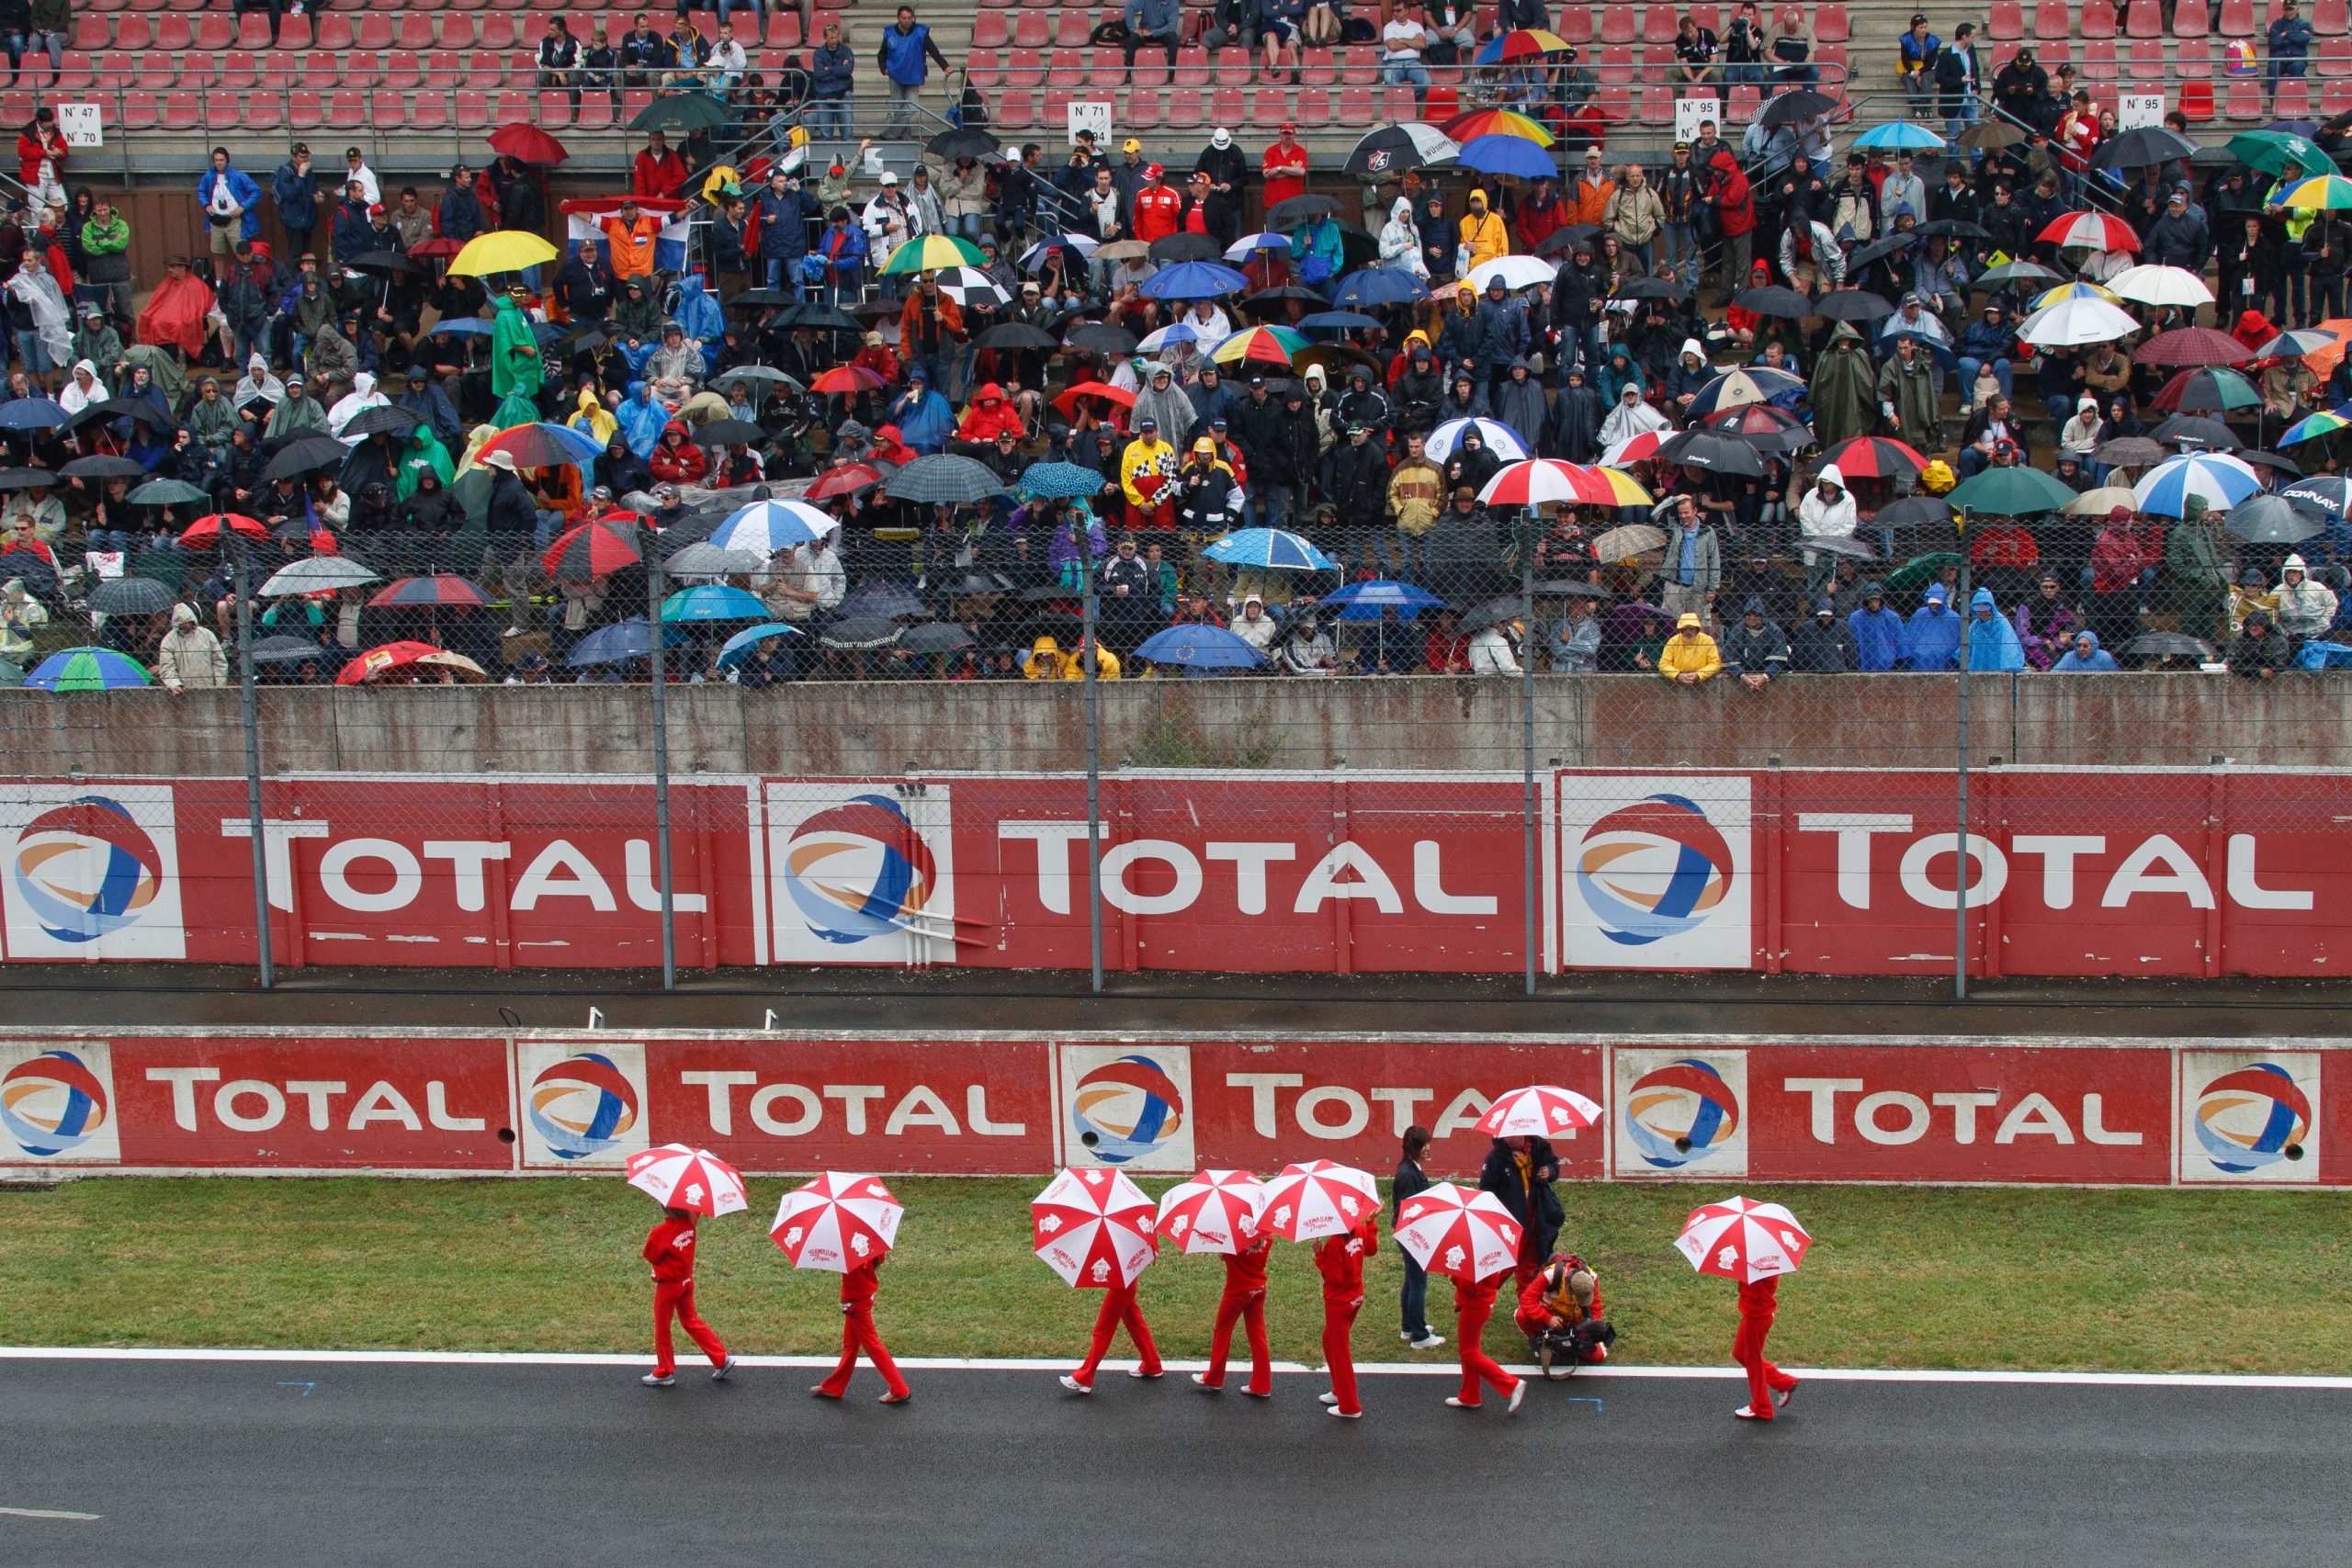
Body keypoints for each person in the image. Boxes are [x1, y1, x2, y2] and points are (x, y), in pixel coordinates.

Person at [640, 1204, 732, 1387]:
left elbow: (651, 1255)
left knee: (662, 1328)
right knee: (691, 1321)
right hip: (686, 1282)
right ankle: (721, 1358)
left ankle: (664, 1371)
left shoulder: (660, 1232)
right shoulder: (690, 1224)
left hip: (668, 1286)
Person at [811, 1253, 912, 1404]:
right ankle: (834, 1386)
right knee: (850, 1346)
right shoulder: (868, 1245)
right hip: (865, 1296)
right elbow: (879, 1259)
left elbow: (839, 1265)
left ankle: (900, 1389)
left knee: (872, 1345)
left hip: (855, 1303)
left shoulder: (848, 1254)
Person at [1193, 1224, 1273, 1398]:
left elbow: (1225, 1256)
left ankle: (1214, 1378)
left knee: (1222, 1331)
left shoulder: (1234, 1237)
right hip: (1258, 1289)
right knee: (1258, 1336)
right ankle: (1262, 1384)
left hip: (1237, 1293)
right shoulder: (1268, 1234)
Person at [1058, 1263, 1163, 1393]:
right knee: (1135, 1322)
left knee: (1102, 1331)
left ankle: (1084, 1377)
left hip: (1121, 1287)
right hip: (1127, 1282)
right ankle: (1152, 1364)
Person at [1312, 1210, 1375, 1419]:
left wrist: (1319, 1254)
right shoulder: (1360, 1228)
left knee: (1340, 1352)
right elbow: (1371, 1250)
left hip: (1338, 1302)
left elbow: (1334, 1279)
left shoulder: (1334, 1243)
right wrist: (1371, 1223)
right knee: (1329, 1340)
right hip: (1355, 1297)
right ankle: (1340, 1390)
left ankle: (1350, 1406)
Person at [1515, 1253, 1615, 1379]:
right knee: (1521, 1316)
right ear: (1568, 1287)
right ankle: (1542, 1342)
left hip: (1576, 1322)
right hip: (1551, 1319)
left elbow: (1596, 1308)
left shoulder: (1592, 1278)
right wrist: (1547, 1318)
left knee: (1597, 1356)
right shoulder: (1550, 1275)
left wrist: (1588, 1332)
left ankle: (1573, 1347)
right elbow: (1526, 1300)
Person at [1446, 1269, 1526, 1414]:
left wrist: (1454, 1277)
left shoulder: (1470, 1264)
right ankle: (1470, 1396)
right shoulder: (1483, 1258)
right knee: (1469, 1351)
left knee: (1469, 1354)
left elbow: (1469, 1287)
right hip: (1482, 1303)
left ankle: (1512, 1384)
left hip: (1474, 1307)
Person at [1732, 1271, 1798, 1420]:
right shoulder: (1767, 1266)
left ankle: (1762, 1407)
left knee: (1752, 1360)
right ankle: (1784, 1382)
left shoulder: (1755, 1271)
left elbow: (1745, 1289)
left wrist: (1741, 1278)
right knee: (1740, 1354)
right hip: (1757, 1315)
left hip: (1755, 1318)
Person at [876, 6, 952, 137]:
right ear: (898, 18)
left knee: (912, 108)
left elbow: (933, 50)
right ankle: (905, 138)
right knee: (898, 109)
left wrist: (944, 66)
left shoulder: (920, 32)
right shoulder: (889, 33)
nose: (907, 21)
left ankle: (889, 134)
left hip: (913, 75)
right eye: (904, 18)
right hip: (895, 75)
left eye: (909, 18)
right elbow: (882, 53)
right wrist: (884, 69)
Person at [156, 602, 227, 692]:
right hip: (183, 691)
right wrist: (174, 684)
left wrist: (220, 686)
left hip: (208, 689)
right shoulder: (169, 640)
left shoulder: (207, 635)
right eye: (183, 623)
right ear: (177, 623)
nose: (187, 625)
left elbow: (219, 661)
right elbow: (167, 667)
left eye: (189, 622)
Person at [2227, 606, 2293, 678]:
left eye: (2256, 625)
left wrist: (2246, 667)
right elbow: (2233, 663)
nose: (2253, 628)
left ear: (2265, 625)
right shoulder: (2240, 638)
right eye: (2250, 625)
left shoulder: (2278, 640)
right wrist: (2257, 670)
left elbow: (2280, 664)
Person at [2270, 0, 2313, 108]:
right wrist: (2294, 38)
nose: (2289, 12)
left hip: (2297, 57)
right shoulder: (2276, 24)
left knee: (2297, 67)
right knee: (2273, 68)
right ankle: (2274, 103)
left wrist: (2286, 34)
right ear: (2283, 9)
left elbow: (2304, 39)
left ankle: (2296, 102)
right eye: (2287, 9)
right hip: (2279, 58)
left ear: (2297, 9)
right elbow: (2274, 42)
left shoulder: (2304, 24)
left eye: (2291, 9)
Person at [1123, 0, 1182, 78]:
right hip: (1144, 31)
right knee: (1132, 39)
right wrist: (1133, 28)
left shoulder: (1174, 3)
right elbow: (1129, 7)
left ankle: (1172, 71)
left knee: (1173, 38)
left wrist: (1152, 32)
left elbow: (1171, 27)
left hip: (1163, 33)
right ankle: (1128, 72)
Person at [1660, 609, 1723, 682]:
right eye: (1685, 629)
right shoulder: (1673, 641)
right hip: (1677, 683)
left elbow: (1715, 664)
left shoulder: (1707, 640)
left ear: (1697, 629)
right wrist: (1677, 675)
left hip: (1703, 684)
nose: (1688, 632)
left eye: (1691, 629)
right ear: (1681, 630)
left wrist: (1699, 675)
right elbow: (1663, 664)